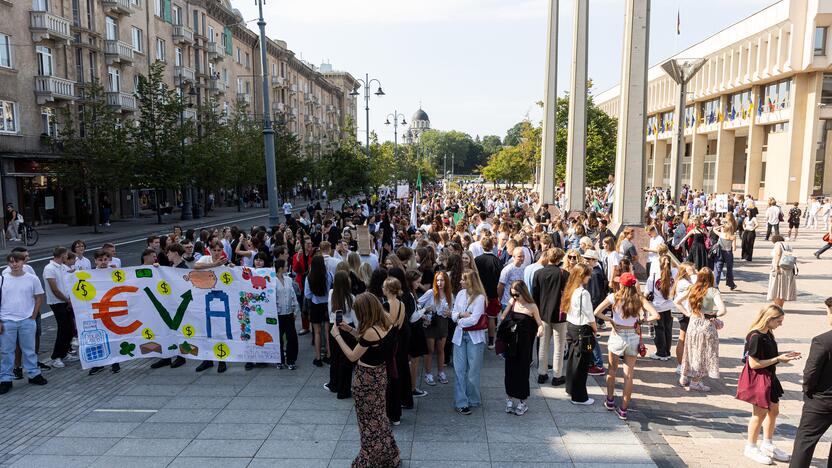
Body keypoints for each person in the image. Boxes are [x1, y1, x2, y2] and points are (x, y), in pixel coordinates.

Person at [329, 293, 400, 467]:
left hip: (366, 381)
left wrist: (337, 336)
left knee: (367, 422)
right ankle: (389, 456)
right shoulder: (387, 322)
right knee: (380, 418)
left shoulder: (370, 331)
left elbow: (353, 356)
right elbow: (371, 344)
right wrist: (351, 330)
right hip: (380, 376)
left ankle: (369, 460)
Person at [594, 272, 659, 420]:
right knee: (629, 375)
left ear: (621, 284)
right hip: (633, 336)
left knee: (612, 370)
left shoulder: (614, 297)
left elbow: (596, 312)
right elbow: (656, 315)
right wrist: (642, 321)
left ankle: (610, 401)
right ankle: (623, 409)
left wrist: (610, 320)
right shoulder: (639, 298)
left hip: (617, 335)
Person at [741, 304, 798, 465]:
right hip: (759, 378)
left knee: (774, 410)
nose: (781, 324)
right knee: (759, 414)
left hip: (770, 376)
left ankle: (767, 443)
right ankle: (751, 446)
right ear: (769, 319)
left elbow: (768, 356)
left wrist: (783, 356)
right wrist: (778, 359)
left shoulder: (768, 333)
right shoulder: (756, 336)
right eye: (778, 320)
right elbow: (753, 364)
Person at [789, 297, 832, 467]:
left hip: (820, 400)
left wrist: (808, 391)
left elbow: (810, 374)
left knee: (804, 442)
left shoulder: (822, 341)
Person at [0, 252, 47, 394]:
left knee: (29, 350)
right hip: (7, 320)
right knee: (6, 352)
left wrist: (33, 315)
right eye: (11, 262)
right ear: (8, 263)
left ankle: (34, 374)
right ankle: (6, 379)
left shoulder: (32, 279)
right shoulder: (2, 279)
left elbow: (39, 297)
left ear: (23, 262)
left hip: (27, 320)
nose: (14, 264)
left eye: (17, 262)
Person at [674, 268, 726, 391]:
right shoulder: (713, 291)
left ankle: (683, 376)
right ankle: (695, 381)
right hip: (706, 325)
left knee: (690, 350)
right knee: (702, 353)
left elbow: (676, 301)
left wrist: (687, 313)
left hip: (693, 323)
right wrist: (713, 315)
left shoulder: (692, 288)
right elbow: (723, 310)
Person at [500, 281, 543, 415]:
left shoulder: (532, 306)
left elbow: (539, 323)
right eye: (512, 295)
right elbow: (503, 317)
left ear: (523, 292)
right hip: (511, 342)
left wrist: (540, 330)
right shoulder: (512, 303)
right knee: (510, 371)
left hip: (524, 343)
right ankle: (509, 399)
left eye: (517, 294)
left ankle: (522, 402)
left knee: (523, 372)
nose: (515, 297)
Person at [451, 270, 487, 415]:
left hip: (475, 338)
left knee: (473, 371)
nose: (460, 282)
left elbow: (475, 319)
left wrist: (459, 321)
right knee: (459, 370)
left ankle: (473, 399)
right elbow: (453, 313)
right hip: (459, 336)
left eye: (463, 280)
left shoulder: (480, 297)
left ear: (470, 281)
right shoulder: (460, 294)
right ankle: (461, 402)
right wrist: (460, 316)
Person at [193, 241, 231, 373]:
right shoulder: (205, 258)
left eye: (219, 250)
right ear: (210, 250)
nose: (217, 253)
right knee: (205, 330)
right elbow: (196, 266)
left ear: (222, 251)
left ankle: (222, 360)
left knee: (220, 331)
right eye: (214, 250)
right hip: (204, 299)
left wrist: (230, 267)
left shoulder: (224, 263)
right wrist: (214, 265)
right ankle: (207, 359)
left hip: (220, 301)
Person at [562, 263, 597, 405]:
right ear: (582, 276)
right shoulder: (583, 293)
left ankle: (570, 388)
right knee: (582, 363)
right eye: (588, 275)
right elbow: (589, 315)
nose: (589, 277)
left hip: (571, 326)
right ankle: (579, 396)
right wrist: (595, 329)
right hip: (582, 328)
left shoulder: (571, 289)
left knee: (572, 359)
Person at [149, 243, 189, 369]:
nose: (167, 255)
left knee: (179, 330)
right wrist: (159, 269)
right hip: (170, 305)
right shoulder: (172, 267)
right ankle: (166, 356)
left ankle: (181, 357)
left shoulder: (183, 268)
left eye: (169, 252)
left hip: (179, 306)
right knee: (166, 330)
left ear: (175, 253)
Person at [533, 248, 569, 386]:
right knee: (559, 347)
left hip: (542, 314)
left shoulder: (538, 273)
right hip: (560, 315)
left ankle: (542, 374)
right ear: (560, 259)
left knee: (543, 345)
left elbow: (535, 296)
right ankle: (557, 375)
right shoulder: (564, 274)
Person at [418, 271, 453, 386]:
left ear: (446, 281)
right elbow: (418, 303)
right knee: (430, 350)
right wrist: (424, 313)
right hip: (431, 323)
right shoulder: (430, 292)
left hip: (443, 323)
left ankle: (441, 372)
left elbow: (453, 311)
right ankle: (428, 374)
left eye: (442, 280)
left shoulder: (450, 294)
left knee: (441, 349)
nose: (439, 282)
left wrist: (450, 313)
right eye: (437, 280)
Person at [42, 247, 75, 369]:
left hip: (66, 301)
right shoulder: (49, 269)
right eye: (66, 255)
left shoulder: (62, 267)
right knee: (63, 329)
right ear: (62, 256)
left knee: (70, 328)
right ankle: (56, 357)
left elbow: (73, 275)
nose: (67, 257)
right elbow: (54, 290)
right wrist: (67, 300)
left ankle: (64, 353)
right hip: (57, 302)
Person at [325, 271, 356, 399]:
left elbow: (329, 311)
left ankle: (334, 384)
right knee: (347, 360)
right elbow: (355, 318)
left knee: (335, 358)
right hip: (347, 328)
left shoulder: (332, 293)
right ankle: (344, 390)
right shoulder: (351, 297)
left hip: (334, 328)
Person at [473, 236, 502, 350]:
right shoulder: (496, 260)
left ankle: (477, 339)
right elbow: (500, 279)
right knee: (491, 317)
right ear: (492, 246)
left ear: (482, 246)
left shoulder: (477, 260)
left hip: (479, 292)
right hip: (492, 294)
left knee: (477, 315)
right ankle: (491, 341)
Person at [647, 255, 677, 361]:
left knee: (659, 330)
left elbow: (647, 292)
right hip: (670, 306)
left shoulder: (653, 276)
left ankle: (661, 352)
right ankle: (667, 352)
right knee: (668, 329)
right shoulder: (675, 274)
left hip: (657, 307)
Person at [305, 254, 333, 367]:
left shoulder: (309, 277)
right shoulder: (329, 275)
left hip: (316, 305)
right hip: (327, 305)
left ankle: (318, 358)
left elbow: (307, 294)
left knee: (317, 332)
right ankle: (329, 355)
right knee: (327, 331)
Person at [671, 262, 697, 374]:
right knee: (683, 338)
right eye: (691, 270)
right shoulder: (683, 282)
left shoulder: (685, 281)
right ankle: (681, 364)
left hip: (687, 312)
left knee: (686, 339)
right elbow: (697, 286)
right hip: (685, 313)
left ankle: (684, 364)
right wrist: (693, 274)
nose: (693, 271)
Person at [273, 258, 299, 370]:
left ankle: (291, 359)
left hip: (289, 313)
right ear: (280, 268)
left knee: (291, 337)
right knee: (278, 337)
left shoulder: (288, 279)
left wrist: (295, 309)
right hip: (278, 314)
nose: (287, 267)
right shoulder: (272, 281)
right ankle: (279, 360)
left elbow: (293, 295)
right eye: (286, 265)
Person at [766, 235, 796, 308]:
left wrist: (776, 266)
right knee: (783, 288)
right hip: (788, 268)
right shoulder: (788, 245)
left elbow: (778, 254)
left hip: (780, 267)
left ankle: (777, 306)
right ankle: (780, 305)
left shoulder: (778, 244)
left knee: (777, 287)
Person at [713, 224, 737, 290]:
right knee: (729, 270)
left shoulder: (721, 234)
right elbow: (734, 248)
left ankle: (715, 285)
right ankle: (731, 284)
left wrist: (721, 225)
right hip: (728, 253)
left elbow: (714, 229)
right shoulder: (733, 237)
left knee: (717, 269)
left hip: (720, 253)